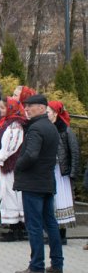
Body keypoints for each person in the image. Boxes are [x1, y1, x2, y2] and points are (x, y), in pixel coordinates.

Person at [13, 93, 63, 273]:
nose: (26, 109)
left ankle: (36, 266)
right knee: (50, 223)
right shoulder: (50, 127)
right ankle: (57, 264)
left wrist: (17, 165)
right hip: (47, 181)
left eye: (30, 106)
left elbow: (31, 155)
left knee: (34, 225)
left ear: (41, 108)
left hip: (34, 183)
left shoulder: (36, 129)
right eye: (25, 106)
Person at [0, 97, 27, 242]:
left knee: (13, 195)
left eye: (3, 107)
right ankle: (13, 227)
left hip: (11, 165)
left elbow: (10, 147)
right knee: (8, 194)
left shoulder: (15, 125)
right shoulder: (8, 123)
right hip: (6, 165)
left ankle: (17, 228)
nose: (0, 110)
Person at [47, 100, 79, 238]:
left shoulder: (65, 130)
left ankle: (62, 234)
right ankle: (53, 232)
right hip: (50, 170)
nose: (46, 114)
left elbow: (74, 151)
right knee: (52, 201)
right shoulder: (47, 128)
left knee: (61, 199)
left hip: (62, 172)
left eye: (48, 112)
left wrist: (72, 173)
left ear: (55, 113)